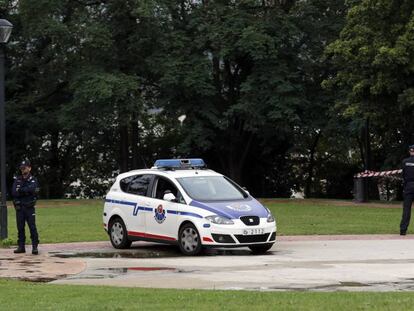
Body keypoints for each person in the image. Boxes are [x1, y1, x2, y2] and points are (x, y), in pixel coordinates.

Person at [11, 160, 39, 254]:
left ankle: (35, 247)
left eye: (25, 167)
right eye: (22, 168)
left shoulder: (33, 179)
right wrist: (25, 191)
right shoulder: (18, 179)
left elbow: (33, 189)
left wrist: (21, 190)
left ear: (29, 168)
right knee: (20, 228)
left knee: (32, 227)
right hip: (20, 208)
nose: (23, 169)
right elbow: (14, 192)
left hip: (29, 207)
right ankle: (21, 247)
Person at [400, 145, 414, 235]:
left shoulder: (405, 162)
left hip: (408, 186)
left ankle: (403, 230)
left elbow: (403, 175)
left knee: (406, 209)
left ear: (410, 151)